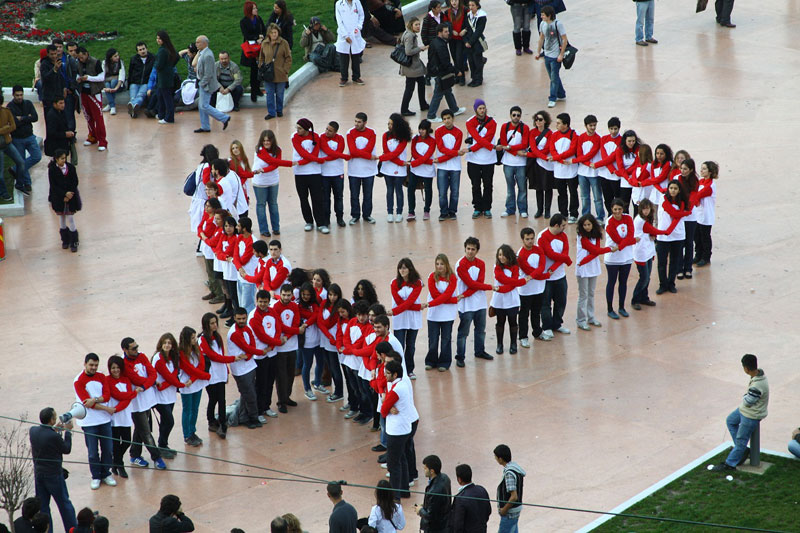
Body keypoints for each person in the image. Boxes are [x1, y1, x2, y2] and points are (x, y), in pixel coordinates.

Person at [711, 354, 769, 471]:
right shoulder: (758, 375)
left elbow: (748, 401)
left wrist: (745, 396)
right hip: (745, 410)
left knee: (741, 439)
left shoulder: (757, 385)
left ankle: (730, 464)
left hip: (751, 415)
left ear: (746, 368)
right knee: (731, 421)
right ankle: (742, 449)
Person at [29, 407, 77, 532]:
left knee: (43, 506)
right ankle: (72, 529)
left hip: (39, 474)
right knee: (64, 505)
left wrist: (53, 429)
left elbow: (46, 436)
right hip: (54, 475)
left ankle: (46, 530)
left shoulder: (33, 431)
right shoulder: (53, 436)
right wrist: (68, 432)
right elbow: (66, 449)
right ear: (51, 420)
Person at [73, 352, 117, 490]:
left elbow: (107, 395)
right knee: (93, 452)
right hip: (89, 422)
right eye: (91, 365)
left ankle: (106, 473)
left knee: (108, 449)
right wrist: (105, 407)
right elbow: (87, 403)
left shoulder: (102, 377)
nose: (93, 368)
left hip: (104, 420)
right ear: (85, 364)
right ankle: (96, 476)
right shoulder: (78, 380)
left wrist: (95, 399)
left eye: (96, 365)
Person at [122, 337, 166, 469]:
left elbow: (152, 373)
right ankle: (156, 457)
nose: (136, 350)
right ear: (125, 350)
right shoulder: (124, 364)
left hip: (147, 399)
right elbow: (135, 379)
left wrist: (147, 384)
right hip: (137, 404)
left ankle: (134, 455)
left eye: (137, 347)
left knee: (140, 429)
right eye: (133, 348)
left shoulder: (142, 356)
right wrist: (150, 382)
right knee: (146, 432)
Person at [455, 236, 493, 367]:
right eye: (468, 249)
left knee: (480, 330)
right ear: (465, 249)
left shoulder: (481, 264)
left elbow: (477, 284)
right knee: (463, 332)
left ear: (477, 251)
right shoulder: (460, 265)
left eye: (473, 249)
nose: (470, 251)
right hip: (466, 306)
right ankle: (460, 356)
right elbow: (471, 283)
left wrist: (464, 294)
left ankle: (480, 351)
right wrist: (489, 287)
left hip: (480, 303)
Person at [380, 360, 414, 497]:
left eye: (387, 373)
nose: (385, 376)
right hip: (404, 428)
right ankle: (404, 490)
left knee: (393, 464)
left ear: (395, 374)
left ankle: (395, 496)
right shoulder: (401, 384)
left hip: (396, 430)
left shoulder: (396, 389)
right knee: (402, 459)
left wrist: (386, 405)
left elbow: (383, 411)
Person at [228, 307, 265, 428]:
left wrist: (249, 356)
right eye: (239, 319)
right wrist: (260, 352)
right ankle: (253, 418)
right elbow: (247, 347)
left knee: (247, 394)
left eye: (244, 318)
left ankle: (244, 417)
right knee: (250, 395)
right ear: (234, 318)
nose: (242, 321)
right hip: (240, 370)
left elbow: (251, 344)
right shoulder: (234, 333)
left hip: (249, 365)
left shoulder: (246, 328)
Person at [200, 313, 234, 438]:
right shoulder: (202, 340)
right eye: (212, 323)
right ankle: (211, 421)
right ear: (206, 325)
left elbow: (221, 353)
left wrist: (226, 371)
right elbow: (213, 356)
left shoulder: (217, 337)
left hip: (220, 373)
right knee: (213, 399)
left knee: (222, 399)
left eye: (215, 322)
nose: (215, 325)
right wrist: (232, 359)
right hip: (210, 375)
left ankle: (222, 422)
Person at [574, 213, 610, 331]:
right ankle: (581, 320)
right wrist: (610, 249)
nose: (587, 227)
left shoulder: (596, 236)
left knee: (591, 293)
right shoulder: (581, 237)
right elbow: (594, 250)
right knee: (583, 295)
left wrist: (586, 259)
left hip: (592, 267)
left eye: (589, 224)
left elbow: (596, 251)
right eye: (584, 225)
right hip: (583, 269)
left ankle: (591, 317)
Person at [252, 130, 292, 236]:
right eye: (264, 140)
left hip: (273, 181)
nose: (266, 143)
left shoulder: (278, 150)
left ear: (272, 140)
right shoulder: (259, 150)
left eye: (268, 140)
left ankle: (276, 228)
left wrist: (263, 170)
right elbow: (272, 162)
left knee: (273, 204)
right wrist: (291, 163)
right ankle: (264, 230)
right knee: (261, 205)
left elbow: (275, 165)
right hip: (260, 183)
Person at [538, 214, 571, 340]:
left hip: (559, 275)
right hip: (546, 278)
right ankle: (547, 327)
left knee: (561, 301)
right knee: (545, 304)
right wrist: (566, 259)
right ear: (556, 225)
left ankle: (557, 324)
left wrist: (554, 267)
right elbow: (550, 254)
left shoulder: (564, 236)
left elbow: (564, 254)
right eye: (563, 225)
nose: (564, 228)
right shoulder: (542, 236)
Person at [655, 180, 691, 295]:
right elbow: (674, 214)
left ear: (679, 190)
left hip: (677, 235)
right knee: (662, 262)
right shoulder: (663, 199)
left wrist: (671, 230)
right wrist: (685, 213)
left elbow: (676, 219)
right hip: (663, 236)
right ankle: (662, 284)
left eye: (675, 188)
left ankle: (671, 283)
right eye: (671, 188)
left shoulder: (682, 202)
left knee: (674, 261)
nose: (673, 190)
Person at [292, 118, 327, 232]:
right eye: (297, 128)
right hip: (300, 173)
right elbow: (303, 153)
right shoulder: (295, 138)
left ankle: (320, 223)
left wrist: (305, 161)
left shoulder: (315, 136)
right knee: (303, 198)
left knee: (317, 198)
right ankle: (308, 221)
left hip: (314, 173)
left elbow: (315, 152)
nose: (297, 130)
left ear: (306, 129)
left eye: (300, 128)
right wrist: (316, 160)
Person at [517, 227, 549, 347]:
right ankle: (523, 336)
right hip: (526, 290)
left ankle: (537, 332)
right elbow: (527, 270)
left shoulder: (538, 249)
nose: (530, 241)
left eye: (532, 238)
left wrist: (539, 275)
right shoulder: (520, 254)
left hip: (539, 288)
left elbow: (541, 266)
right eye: (527, 239)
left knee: (536, 312)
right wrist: (544, 276)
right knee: (524, 314)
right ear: (522, 239)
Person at [604, 198, 637, 319]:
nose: (617, 212)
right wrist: (632, 241)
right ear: (611, 209)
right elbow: (617, 239)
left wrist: (627, 242)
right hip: (612, 259)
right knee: (611, 283)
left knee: (623, 283)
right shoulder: (609, 222)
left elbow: (630, 235)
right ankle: (610, 308)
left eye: (619, 209)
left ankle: (621, 307)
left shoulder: (628, 218)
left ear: (623, 209)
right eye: (615, 209)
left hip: (626, 257)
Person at [390, 257, 423, 376]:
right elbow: (399, 302)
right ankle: (399, 369)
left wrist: (394, 311)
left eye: (404, 268)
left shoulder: (418, 283)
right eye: (400, 268)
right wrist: (418, 306)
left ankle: (409, 369)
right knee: (399, 345)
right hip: (400, 319)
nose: (402, 270)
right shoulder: (394, 283)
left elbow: (410, 301)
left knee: (411, 345)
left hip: (412, 318)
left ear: (410, 269)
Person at [178, 327, 210, 446]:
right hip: (187, 385)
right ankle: (187, 434)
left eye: (195, 337)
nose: (195, 339)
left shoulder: (197, 348)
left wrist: (194, 379)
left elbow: (201, 365)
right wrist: (204, 376)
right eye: (192, 338)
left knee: (195, 408)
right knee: (187, 410)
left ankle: (192, 431)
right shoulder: (181, 353)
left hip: (195, 382)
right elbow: (189, 369)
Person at [490, 245, 525, 355]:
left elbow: (512, 283)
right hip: (499, 300)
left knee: (513, 322)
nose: (501, 257)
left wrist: (503, 288)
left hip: (512, 300)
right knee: (500, 322)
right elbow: (502, 279)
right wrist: (518, 282)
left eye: (503, 255)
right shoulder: (496, 267)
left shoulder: (515, 267)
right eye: (499, 255)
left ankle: (513, 344)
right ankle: (499, 344)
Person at [151, 333, 182, 456]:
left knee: (165, 421)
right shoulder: (158, 358)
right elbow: (169, 376)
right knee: (169, 421)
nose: (167, 345)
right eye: (165, 343)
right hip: (160, 397)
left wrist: (168, 383)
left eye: (169, 343)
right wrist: (181, 384)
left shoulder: (173, 357)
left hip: (169, 395)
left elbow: (173, 374)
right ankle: (161, 445)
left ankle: (163, 445)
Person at [426, 24, 465, 122]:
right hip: (441, 73)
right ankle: (431, 115)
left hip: (438, 71)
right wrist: (456, 71)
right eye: (446, 31)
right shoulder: (440, 45)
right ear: (440, 33)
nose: (448, 33)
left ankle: (454, 109)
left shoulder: (435, 42)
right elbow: (445, 62)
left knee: (448, 91)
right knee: (438, 94)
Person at [465, 99, 496, 218]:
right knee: (475, 185)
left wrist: (471, 149)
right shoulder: (469, 122)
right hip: (473, 160)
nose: (482, 110)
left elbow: (487, 139)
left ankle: (487, 208)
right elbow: (477, 138)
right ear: (475, 109)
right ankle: (477, 208)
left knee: (488, 185)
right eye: (480, 108)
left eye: (483, 108)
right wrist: (491, 146)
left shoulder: (492, 122)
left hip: (489, 160)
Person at [7, 85, 41, 195]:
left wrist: (21, 118)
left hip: (30, 136)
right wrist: (27, 117)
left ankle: (15, 169)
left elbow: (35, 117)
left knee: (36, 156)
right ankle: (26, 183)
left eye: (21, 95)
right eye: (17, 95)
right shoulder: (10, 107)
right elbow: (14, 124)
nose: (19, 97)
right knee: (21, 160)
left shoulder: (28, 103)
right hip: (17, 139)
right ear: (13, 95)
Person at [497, 106, 530, 218]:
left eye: (518, 115)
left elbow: (524, 144)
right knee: (510, 188)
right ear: (510, 115)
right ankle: (510, 209)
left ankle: (523, 209)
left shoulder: (525, 128)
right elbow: (503, 144)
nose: (516, 117)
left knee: (522, 188)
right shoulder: (504, 127)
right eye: (514, 115)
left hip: (521, 164)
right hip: (508, 163)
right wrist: (516, 152)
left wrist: (509, 147)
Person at [106, 355, 135, 479]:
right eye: (113, 368)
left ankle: (115, 462)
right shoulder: (107, 380)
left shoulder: (126, 380)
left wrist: (117, 408)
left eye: (118, 367)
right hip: (114, 417)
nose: (116, 370)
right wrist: (133, 394)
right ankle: (120, 465)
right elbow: (117, 395)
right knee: (116, 443)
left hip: (123, 414)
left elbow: (126, 399)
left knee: (127, 440)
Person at [346, 112, 379, 224]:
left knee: (368, 195)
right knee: (354, 195)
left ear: (365, 122)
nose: (356, 124)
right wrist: (369, 156)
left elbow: (369, 149)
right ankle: (355, 215)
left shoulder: (372, 132)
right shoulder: (350, 132)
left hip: (368, 170)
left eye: (359, 122)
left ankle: (367, 215)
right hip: (354, 170)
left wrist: (366, 154)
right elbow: (353, 151)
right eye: (355, 121)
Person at [194, 36, 231, 133]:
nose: (196, 44)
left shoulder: (208, 55)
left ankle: (224, 118)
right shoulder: (202, 53)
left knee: (204, 106)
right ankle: (205, 126)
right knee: (201, 106)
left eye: (198, 42)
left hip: (206, 85)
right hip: (202, 82)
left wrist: (202, 83)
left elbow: (209, 73)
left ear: (205, 43)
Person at [47, 149, 82, 252]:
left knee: (70, 218)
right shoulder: (52, 170)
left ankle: (74, 242)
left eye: (65, 158)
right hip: (59, 198)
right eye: (61, 158)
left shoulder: (70, 168)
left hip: (70, 197)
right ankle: (65, 240)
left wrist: (70, 193)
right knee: (62, 219)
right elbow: (53, 185)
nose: (64, 160)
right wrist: (64, 194)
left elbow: (75, 181)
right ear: (56, 159)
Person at [630, 198, 662, 310]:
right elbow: (653, 231)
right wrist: (663, 232)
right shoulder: (640, 220)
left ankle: (644, 297)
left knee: (647, 277)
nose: (646, 211)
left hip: (647, 250)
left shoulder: (647, 219)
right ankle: (635, 299)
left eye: (647, 208)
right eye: (644, 209)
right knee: (644, 277)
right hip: (641, 252)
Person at [274, 283, 301, 413]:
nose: (286, 297)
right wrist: (295, 331)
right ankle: (281, 401)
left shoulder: (294, 306)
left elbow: (296, 323)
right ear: (281, 294)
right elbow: (279, 326)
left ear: (292, 295)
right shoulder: (275, 307)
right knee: (281, 376)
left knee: (290, 374)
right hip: (280, 348)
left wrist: (288, 337)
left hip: (291, 346)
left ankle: (287, 397)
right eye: (284, 294)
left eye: (288, 295)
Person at [434, 110, 465, 220]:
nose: (446, 121)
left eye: (448, 118)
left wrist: (441, 158)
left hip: (455, 167)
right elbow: (441, 148)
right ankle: (443, 212)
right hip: (442, 167)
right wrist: (456, 153)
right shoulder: (438, 131)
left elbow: (455, 149)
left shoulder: (459, 132)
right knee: (442, 192)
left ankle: (452, 211)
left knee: (455, 191)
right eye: (444, 119)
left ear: (453, 118)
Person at [573, 114, 604, 221]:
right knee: (584, 197)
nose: (593, 128)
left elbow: (592, 153)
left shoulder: (598, 138)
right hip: (582, 172)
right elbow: (579, 154)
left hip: (594, 173)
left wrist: (583, 162)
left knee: (597, 198)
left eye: (594, 125)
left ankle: (600, 217)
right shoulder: (581, 137)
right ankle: (586, 216)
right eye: (591, 125)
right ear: (586, 125)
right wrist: (587, 164)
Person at [548, 112, 579, 223]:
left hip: (571, 170)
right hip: (559, 170)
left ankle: (574, 214)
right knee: (561, 193)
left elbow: (572, 150)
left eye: (558, 123)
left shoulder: (574, 134)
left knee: (573, 192)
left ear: (566, 124)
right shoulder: (554, 135)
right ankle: (563, 213)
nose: (556, 125)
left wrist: (557, 158)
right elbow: (552, 149)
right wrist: (560, 160)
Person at [380, 113, 411, 222]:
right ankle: (389, 212)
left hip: (399, 169)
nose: (389, 126)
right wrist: (385, 158)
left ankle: (399, 212)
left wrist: (382, 157)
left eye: (391, 124)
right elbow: (387, 152)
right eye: (388, 123)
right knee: (389, 190)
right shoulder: (385, 135)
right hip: (387, 168)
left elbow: (396, 153)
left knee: (398, 190)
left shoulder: (403, 138)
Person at [535, 5, 567, 108]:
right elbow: (541, 38)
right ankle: (561, 94)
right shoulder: (542, 24)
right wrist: (538, 52)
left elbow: (564, 39)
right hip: (547, 55)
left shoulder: (558, 24)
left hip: (555, 56)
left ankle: (552, 98)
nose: (541, 16)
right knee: (553, 76)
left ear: (549, 15)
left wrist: (561, 54)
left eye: (543, 15)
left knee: (553, 77)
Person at [259, 23, 293, 120]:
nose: (274, 34)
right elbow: (261, 57)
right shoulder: (264, 43)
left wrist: (285, 69)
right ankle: (271, 112)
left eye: (275, 32)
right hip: (268, 74)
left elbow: (288, 58)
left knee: (279, 94)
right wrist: (261, 66)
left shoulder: (284, 43)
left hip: (280, 74)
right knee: (269, 94)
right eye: (272, 32)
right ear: (268, 34)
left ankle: (279, 110)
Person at [320, 121, 350, 228]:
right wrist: (343, 156)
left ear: (335, 132)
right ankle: (326, 219)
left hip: (338, 173)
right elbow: (327, 151)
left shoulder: (340, 138)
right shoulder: (321, 137)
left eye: (330, 130)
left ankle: (340, 218)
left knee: (339, 197)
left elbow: (338, 152)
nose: (327, 132)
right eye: (326, 129)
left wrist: (324, 159)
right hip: (324, 174)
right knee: (325, 198)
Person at [399, 18, 429, 117]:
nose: (418, 26)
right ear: (411, 25)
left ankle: (423, 104)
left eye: (419, 24)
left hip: (414, 66)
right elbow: (408, 51)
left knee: (421, 82)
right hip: (411, 67)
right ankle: (404, 109)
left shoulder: (408, 34)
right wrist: (420, 48)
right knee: (409, 88)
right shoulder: (409, 36)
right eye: (416, 24)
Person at [526, 110, 553, 219]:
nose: (538, 121)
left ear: (545, 121)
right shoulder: (532, 132)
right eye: (536, 119)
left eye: (540, 119)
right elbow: (533, 147)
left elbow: (547, 148)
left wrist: (537, 155)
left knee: (548, 188)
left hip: (547, 166)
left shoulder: (550, 133)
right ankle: (539, 210)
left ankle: (547, 210)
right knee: (538, 188)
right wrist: (542, 157)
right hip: (537, 164)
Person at [494, 444, 526, 533]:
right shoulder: (515, 468)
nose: (495, 458)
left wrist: (504, 510)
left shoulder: (509, 473)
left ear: (500, 459)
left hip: (510, 513)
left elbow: (514, 496)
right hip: (515, 511)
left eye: (496, 457)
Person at [450, 464, 491, 533]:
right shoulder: (482, 490)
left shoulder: (460, 498)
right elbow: (488, 511)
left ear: (459, 479)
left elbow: (458, 525)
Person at [407, 119, 435, 220]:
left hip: (426, 170)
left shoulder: (432, 141)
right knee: (411, 189)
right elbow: (413, 152)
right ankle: (411, 211)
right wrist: (421, 162)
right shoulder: (415, 138)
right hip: (415, 169)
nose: (421, 131)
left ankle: (427, 210)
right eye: (420, 129)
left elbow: (428, 155)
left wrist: (415, 162)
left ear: (428, 130)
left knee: (428, 189)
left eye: (423, 129)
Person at [415, 455, 451, 533]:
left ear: (432, 471)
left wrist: (420, 510)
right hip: (444, 522)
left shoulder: (434, 491)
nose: (424, 470)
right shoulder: (445, 478)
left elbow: (431, 516)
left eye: (425, 468)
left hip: (435, 528)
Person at [677, 158, 700, 280]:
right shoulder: (677, 179)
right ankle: (679, 269)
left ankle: (688, 268)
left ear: (691, 170)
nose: (682, 171)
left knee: (689, 243)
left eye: (685, 169)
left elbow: (693, 197)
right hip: (680, 216)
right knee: (680, 242)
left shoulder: (695, 181)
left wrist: (687, 209)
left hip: (690, 216)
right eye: (681, 168)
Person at [335, 0, 367, 86]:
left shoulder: (357, 3)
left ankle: (356, 77)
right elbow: (339, 21)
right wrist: (345, 35)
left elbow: (361, 15)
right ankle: (344, 78)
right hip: (343, 34)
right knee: (344, 58)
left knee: (356, 56)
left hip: (355, 34)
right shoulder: (339, 4)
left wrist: (358, 27)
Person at [694, 161, 718, 267]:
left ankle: (706, 256)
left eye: (704, 169)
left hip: (706, 215)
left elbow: (697, 195)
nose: (701, 170)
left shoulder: (710, 186)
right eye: (701, 168)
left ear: (710, 172)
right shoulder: (700, 181)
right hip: (698, 213)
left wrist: (695, 200)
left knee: (705, 237)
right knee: (697, 236)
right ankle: (698, 254)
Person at [153, 30, 179, 124]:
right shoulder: (169, 48)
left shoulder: (162, 51)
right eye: (157, 38)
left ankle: (169, 118)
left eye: (159, 38)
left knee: (166, 98)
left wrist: (155, 64)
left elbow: (158, 65)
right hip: (167, 76)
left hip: (163, 78)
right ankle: (162, 115)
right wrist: (170, 65)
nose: (158, 40)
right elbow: (177, 56)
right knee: (162, 96)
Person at [442, 0, 467, 85]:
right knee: (455, 58)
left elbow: (468, 22)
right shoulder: (447, 12)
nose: (454, 2)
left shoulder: (465, 10)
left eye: (455, 0)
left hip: (461, 38)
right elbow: (445, 24)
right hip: (452, 39)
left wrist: (465, 30)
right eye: (452, 0)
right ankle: (457, 76)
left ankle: (462, 77)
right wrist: (451, 31)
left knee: (459, 57)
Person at [128, 41, 156, 117]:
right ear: (137, 52)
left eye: (143, 49)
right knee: (133, 97)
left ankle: (133, 109)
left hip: (146, 83)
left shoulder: (153, 58)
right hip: (134, 82)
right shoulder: (133, 59)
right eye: (140, 50)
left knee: (140, 96)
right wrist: (129, 85)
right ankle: (134, 110)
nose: (142, 51)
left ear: (147, 48)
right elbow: (130, 72)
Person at [44, 97, 76, 164]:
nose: (63, 105)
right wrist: (65, 134)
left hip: (63, 144)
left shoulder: (62, 112)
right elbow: (51, 133)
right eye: (60, 103)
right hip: (56, 146)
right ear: (54, 104)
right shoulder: (51, 115)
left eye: (63, 103)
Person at [464, 1, 487, 87]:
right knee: (471, 61)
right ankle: (473, 78)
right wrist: (466, 41)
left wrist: (470, 42)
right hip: (469, 42)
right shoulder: (468, 15)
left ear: (477, 6)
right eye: (469, 5)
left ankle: (478, 79)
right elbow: (466, 28)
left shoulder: (482, 16)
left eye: (473, 5)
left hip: (477, 42)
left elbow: (478, 31)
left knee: (477, 61)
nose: (471, 7)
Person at [101, 48, 125, 114]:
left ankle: (111, 105)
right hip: (108, 84)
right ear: (110, 58)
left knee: (113, 82)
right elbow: (103, 77)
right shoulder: (104, 63)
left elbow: (121, 77)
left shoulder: (120, 63)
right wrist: (105, 87)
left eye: (118, 55)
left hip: (118, 86)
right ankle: (112, 106)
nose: (118, 57)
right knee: (108, 84)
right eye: (115, 56)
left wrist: (115, 88)